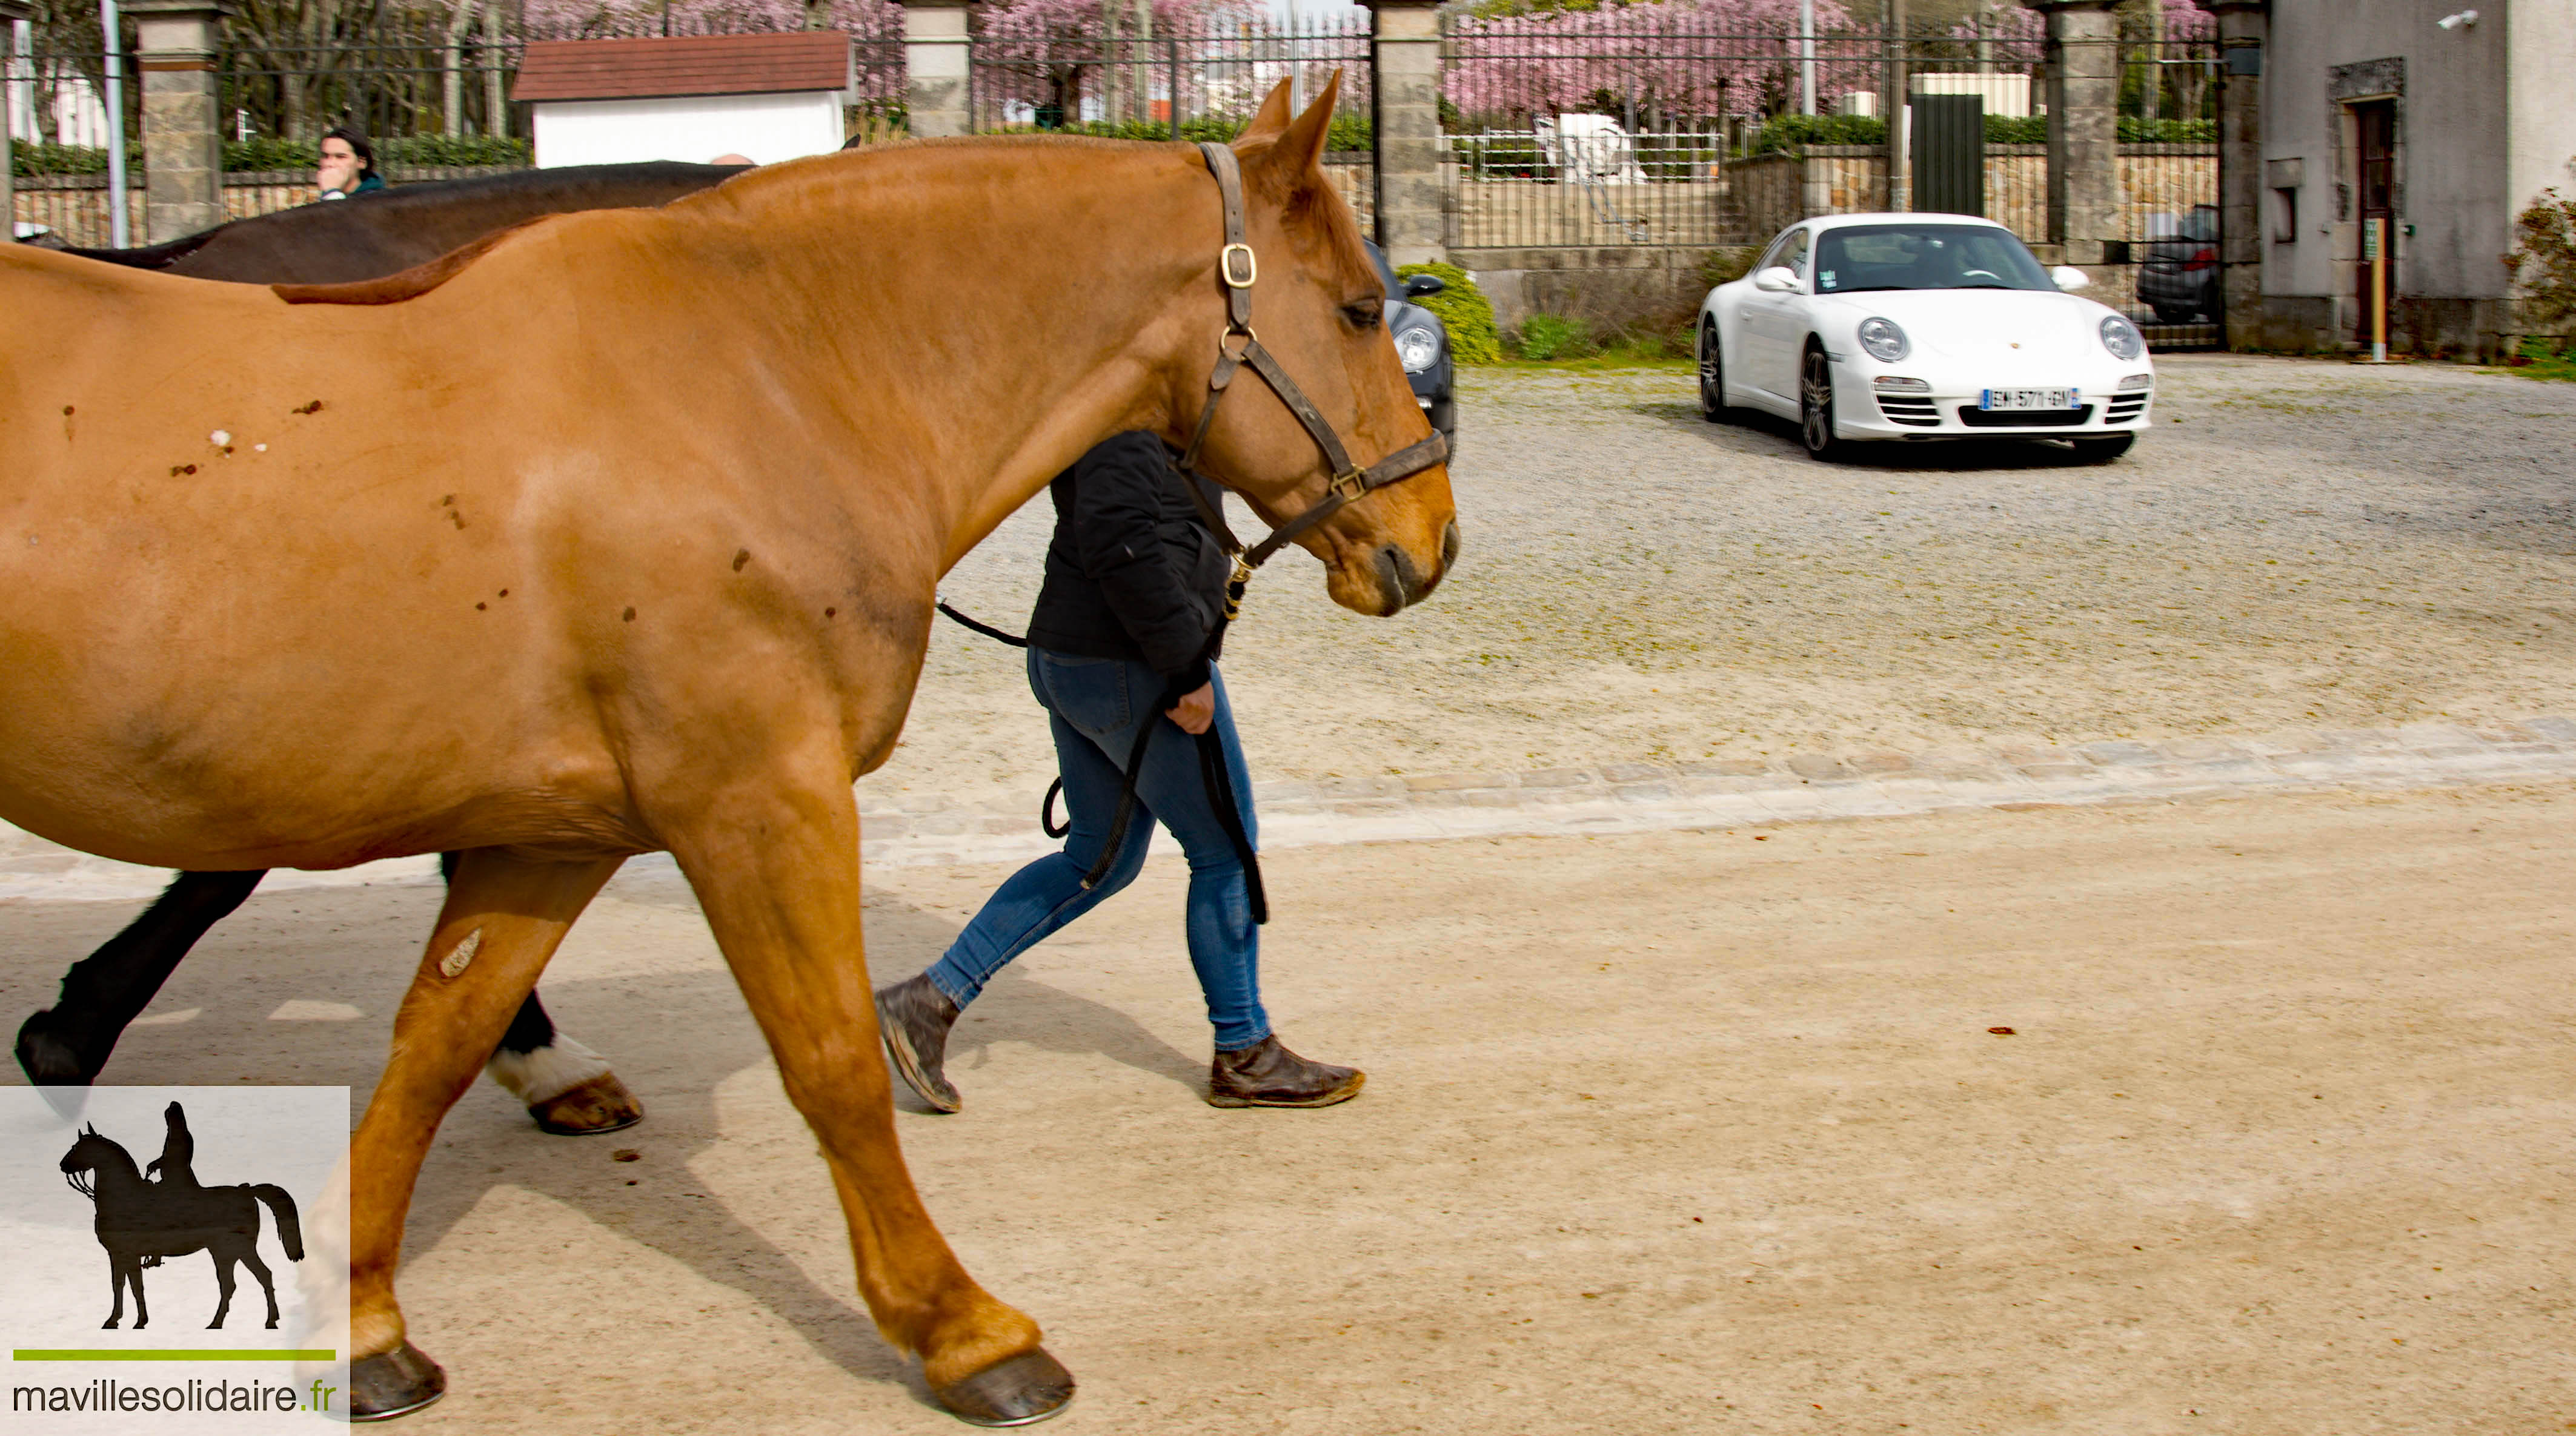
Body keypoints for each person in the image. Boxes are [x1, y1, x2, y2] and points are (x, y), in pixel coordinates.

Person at [874, 432, 1364, 1111]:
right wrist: (1184, 668)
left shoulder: (1141, 414)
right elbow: (1118, 540)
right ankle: (1245, 1051)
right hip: (1128, 663)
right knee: (1224, 851)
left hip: (1081, 658)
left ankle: (928, 1001)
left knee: (1096, 858)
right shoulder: (1128, 420)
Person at [316, 128, 387, 201]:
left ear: (361, 162)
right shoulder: (326, 195)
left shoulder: (378, 200)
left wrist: (331, 193)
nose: (329, 164)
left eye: (340, 157)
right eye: (325, 156)